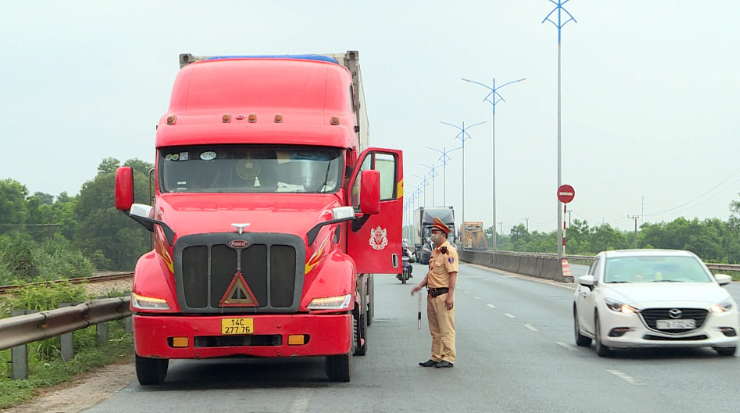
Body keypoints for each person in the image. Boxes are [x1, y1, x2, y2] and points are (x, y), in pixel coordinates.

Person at [411, 217, 458, 368]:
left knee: (446, 329)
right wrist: (420, 285)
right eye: (431, 232)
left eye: (435, 232)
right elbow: (430, 273)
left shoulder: (449, 252)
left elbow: (453, 275)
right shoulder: (435, 252)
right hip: (431, 295)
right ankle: (436, 356)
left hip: (443, 296)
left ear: (443, 234)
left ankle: (448, 357)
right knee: (435, 330)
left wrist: (450, 297)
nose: (432, 235)